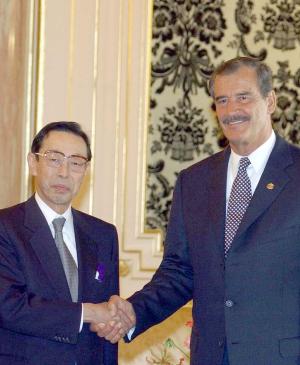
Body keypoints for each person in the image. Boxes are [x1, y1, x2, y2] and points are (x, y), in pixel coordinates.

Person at [94, 57, 300, 365]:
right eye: (222, 100)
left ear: (270, 101)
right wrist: (132, 312)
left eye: (243, 97)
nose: (231, 111)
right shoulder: (194, 181)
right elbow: (180, 272)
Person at [0, 121, 131, 365]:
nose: (64, 172)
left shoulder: (103, 235)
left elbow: (108, 329)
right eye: (54, 159)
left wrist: (112, 320)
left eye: (76, 163)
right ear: (33, 163)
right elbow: (9, 307)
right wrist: (89, 312)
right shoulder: (6, 227)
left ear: (85, 170)